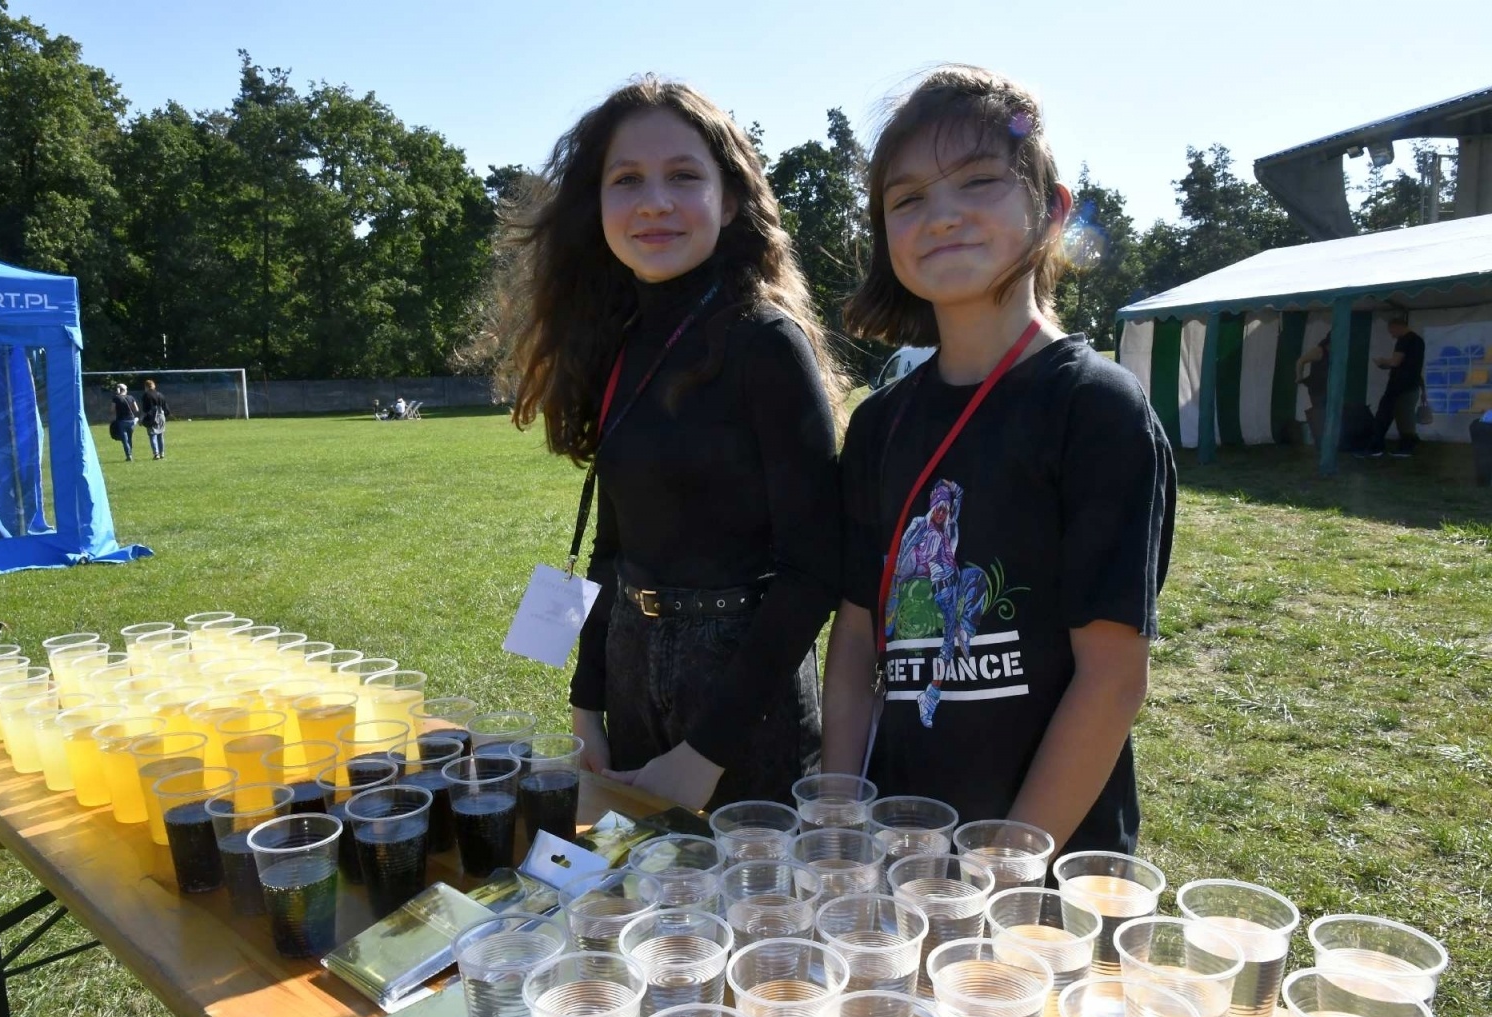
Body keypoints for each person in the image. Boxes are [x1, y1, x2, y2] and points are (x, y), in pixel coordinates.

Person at [820, 66, 1177, 858]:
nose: (942, 214)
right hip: (896, 847)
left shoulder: (1097, 409)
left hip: (1041, 869)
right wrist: (840, 815)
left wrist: (1004, 866)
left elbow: (1112, 679)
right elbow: (856, 639)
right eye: (908, 198)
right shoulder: (879, 424)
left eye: (979, 181)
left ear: (1052, 209)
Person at [501, 76, 846, 811]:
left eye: (684, 176)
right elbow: (612, 549)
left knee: (747, 886)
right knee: (641, 879)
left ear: (731, 200)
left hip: (743, 695)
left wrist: (704, 755)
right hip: (630, 664)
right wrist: (587, 706)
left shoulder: (766, 343)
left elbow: (814, 571)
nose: (654, 201)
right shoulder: (621, 345)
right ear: (596, 206)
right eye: (626, 179)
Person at [1366, 315, 1425, 458]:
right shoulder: (1418, 341)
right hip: (1411, 385)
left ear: (1397, 327)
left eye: (1392, 331)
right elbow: (1410, 365)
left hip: (1399, 386)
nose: (1392, 335)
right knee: (1405, 417)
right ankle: (1406, 445)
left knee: (1386, 415)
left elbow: (1395, 362)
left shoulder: (1404, 340)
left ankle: (1382, 446)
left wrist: (1382, 361)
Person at [1296, 332, 1332, 442]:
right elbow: (1300, 361)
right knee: (1320, 415)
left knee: (1327, 416)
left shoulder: (1335, 353)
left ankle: (1325, 440)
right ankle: (1321, 441)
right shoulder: (1320, 351)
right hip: (1318, 390)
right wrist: (1299, 377)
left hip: (1328, 390)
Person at [140, 379, 170, 460]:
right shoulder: (160, 394)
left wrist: (141, 419)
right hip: (161, 416)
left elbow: (145, 409)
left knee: (152, 435)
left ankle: (156, 454)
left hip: (152, 417)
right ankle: (162, 453)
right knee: (160, 435)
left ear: (146, 387)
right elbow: (166, 409)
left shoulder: (146, 395)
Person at [111, 383, 140, 461]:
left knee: (124, 439)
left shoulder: (116, 398)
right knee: (129, 438)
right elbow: (136, 409)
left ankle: (128, 455)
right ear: (125, 390)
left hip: (121, 420)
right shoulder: (131, 397)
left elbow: (112, 409)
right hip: (131, 420)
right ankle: (130, 453)